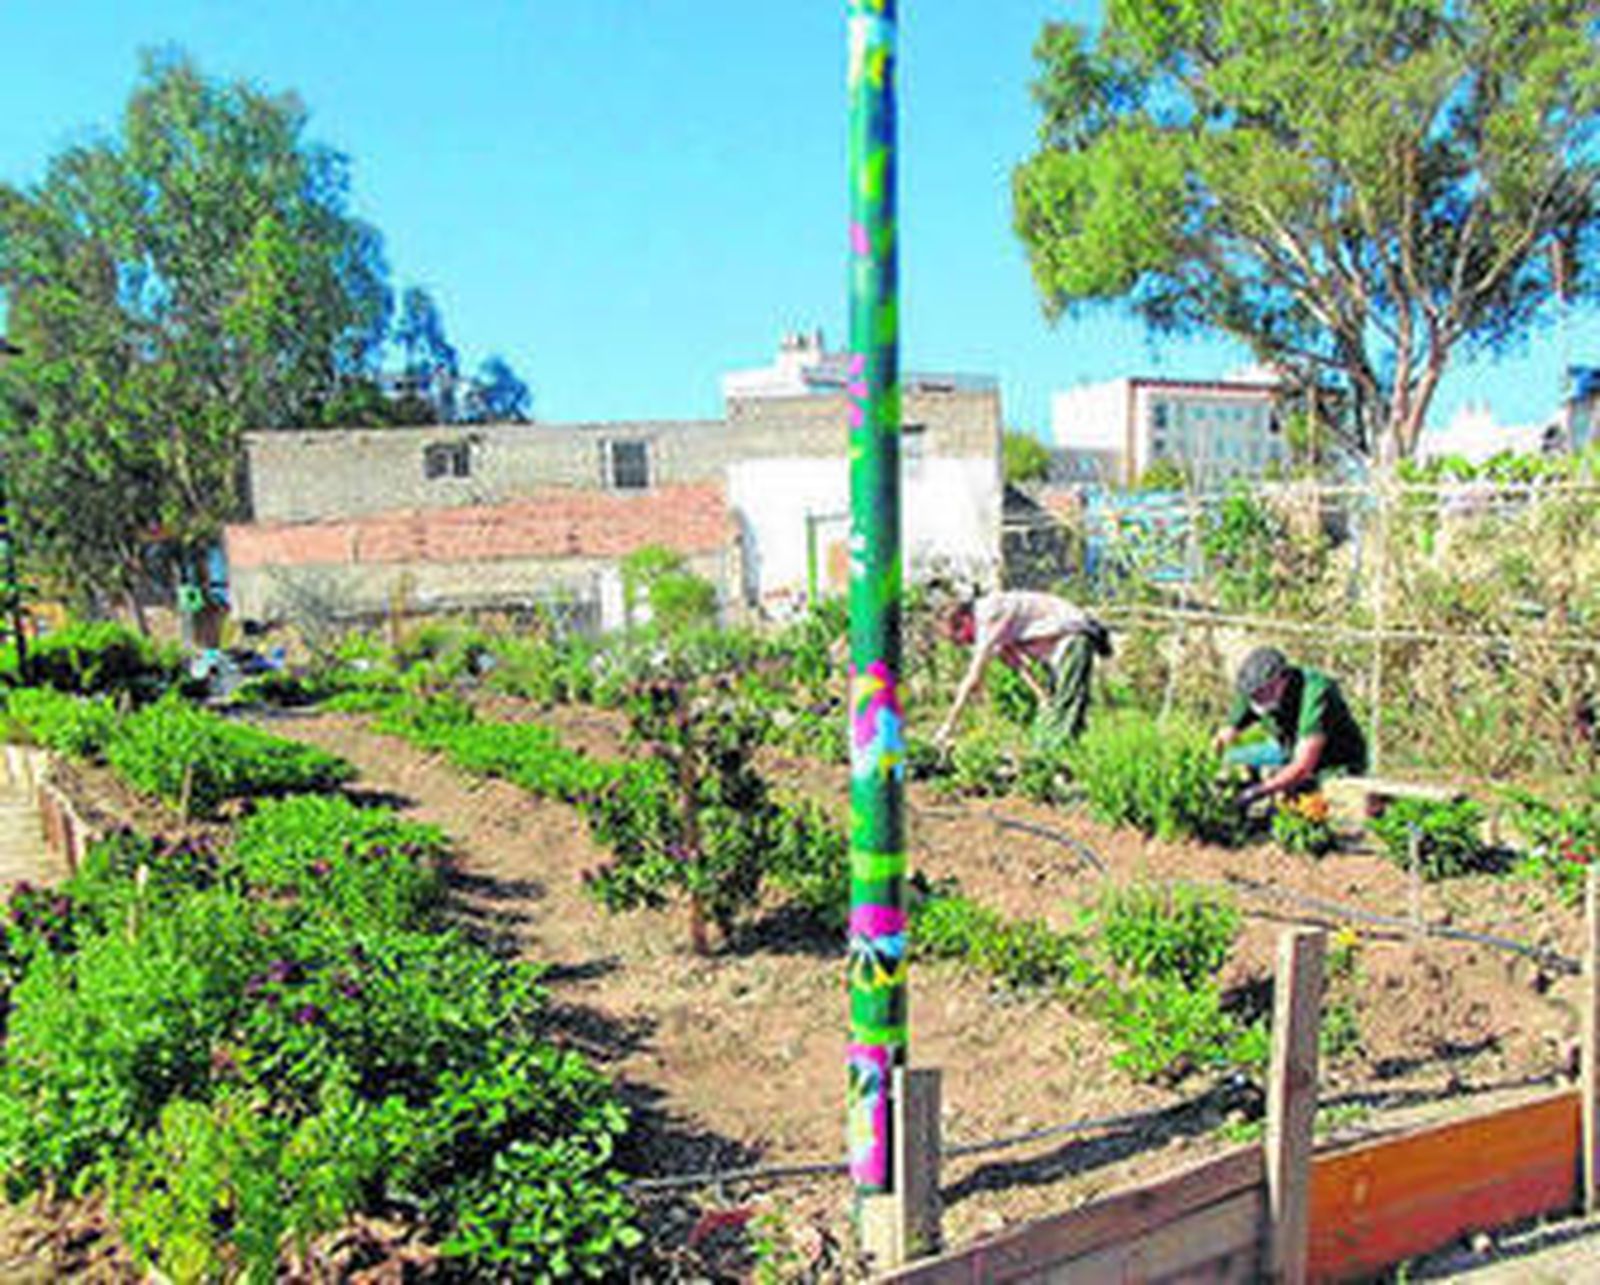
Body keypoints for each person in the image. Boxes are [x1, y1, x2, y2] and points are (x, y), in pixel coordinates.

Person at [933, 589, 1112, 750]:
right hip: (1054, 652)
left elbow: (973, 678)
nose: (961, 644)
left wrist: (948, 726)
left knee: (1065, 710)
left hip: (1071, 639)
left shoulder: (990, 613)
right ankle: (1050, 760)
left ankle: (1057, 764)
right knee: (1049, 714)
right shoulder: (992, 628)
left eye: (957, 639)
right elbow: (1016, 663)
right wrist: (1040, 695)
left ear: (965, 621)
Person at [1213, 646, 1368, 809]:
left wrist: (1259, 791)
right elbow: (1225, 736)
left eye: (1265, 691)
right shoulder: (1254, 690)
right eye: (1254, 694)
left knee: (1314, 798)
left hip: (1332, 762)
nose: (1258, 697)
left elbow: (1302, 766)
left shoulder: (1315, 692)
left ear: (1283, 679)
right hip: (1287, 749)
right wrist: (1213, 764)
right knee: (1233, 758)